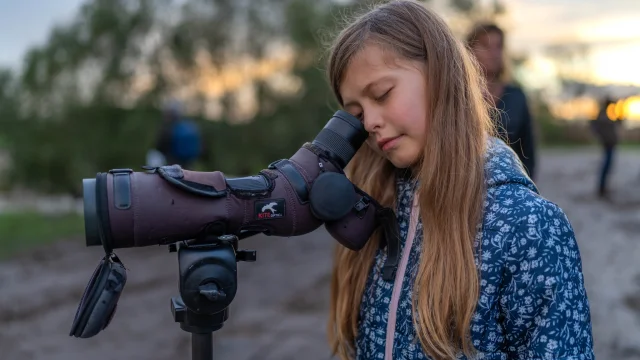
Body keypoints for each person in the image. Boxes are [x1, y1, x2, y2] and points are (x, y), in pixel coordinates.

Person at [325, 1, 594, 359]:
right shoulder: (376, 213)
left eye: (382, 94)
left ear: (439, 74)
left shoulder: (529, 226)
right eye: (356, 114)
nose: (370, 121)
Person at [467, 23, 537, 180]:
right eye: (486, 45)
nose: (493, 52)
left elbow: (527, 150)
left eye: (499, 46)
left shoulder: (516, 96)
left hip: (510, 184)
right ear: (469, 51)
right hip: (466, 184)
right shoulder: (459, 95)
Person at [590, 96, 622, 199]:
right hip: (608, 144)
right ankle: (601, 188)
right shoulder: (603, 116)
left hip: (609, 144)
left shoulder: (606, 115)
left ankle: (603, 188)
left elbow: (619, 121)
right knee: (606, 166)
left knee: (607, 166)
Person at [154, 101, 203, 169]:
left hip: (172, 163)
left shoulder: (169, 128)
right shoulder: (191, 126)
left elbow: (159, 147)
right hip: (189, 163)